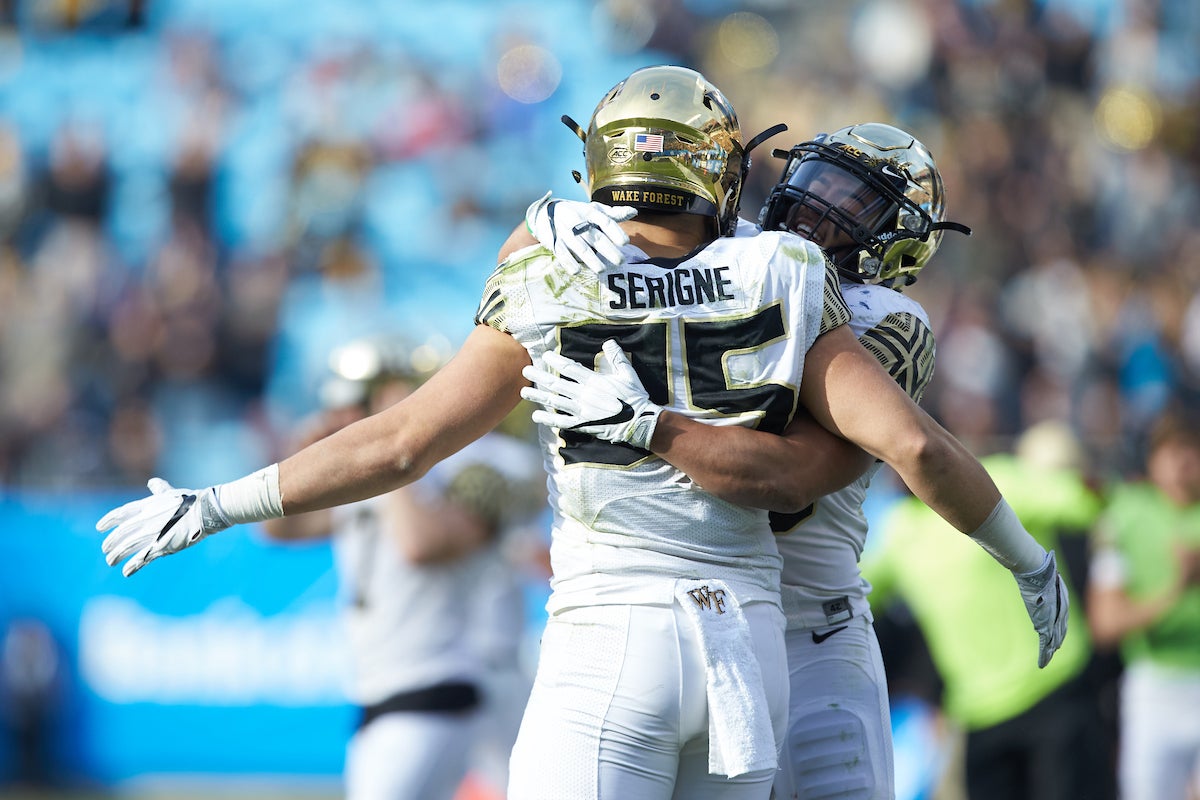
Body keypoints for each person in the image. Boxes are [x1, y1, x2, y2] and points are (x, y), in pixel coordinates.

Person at [96, 65, 1066, 800]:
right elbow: (906, 449)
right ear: (721, 168)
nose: (817, 207)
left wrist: (221, 498)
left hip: (627, 626)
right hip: (753, 638)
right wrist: (1024, 555)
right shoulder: (783, 273)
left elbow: (402, 442)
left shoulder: (551, 252)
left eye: (854, 200)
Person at [262, 333, 543, 800]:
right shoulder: (364, 487)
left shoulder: (469, 468)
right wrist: (304, 456)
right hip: (382, 689)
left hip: (444, 683)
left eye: (361, 405)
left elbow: (421, 544)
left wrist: (387, 453)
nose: (347, 420)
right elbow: (277, 530)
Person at [860, 421, 1115, 800]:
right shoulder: (900, 530)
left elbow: (1082, 500)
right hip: (979, 716)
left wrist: (1085, 484)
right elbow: (857, 588)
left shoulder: (997, 481)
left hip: (1055, 692)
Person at [1087, 410, 1200, 800]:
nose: (1183, 464)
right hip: (1154, 687)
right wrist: (1176, 590)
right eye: (1171, 452)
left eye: (1191, 451)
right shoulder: (1126, 516)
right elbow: (1106, 624)